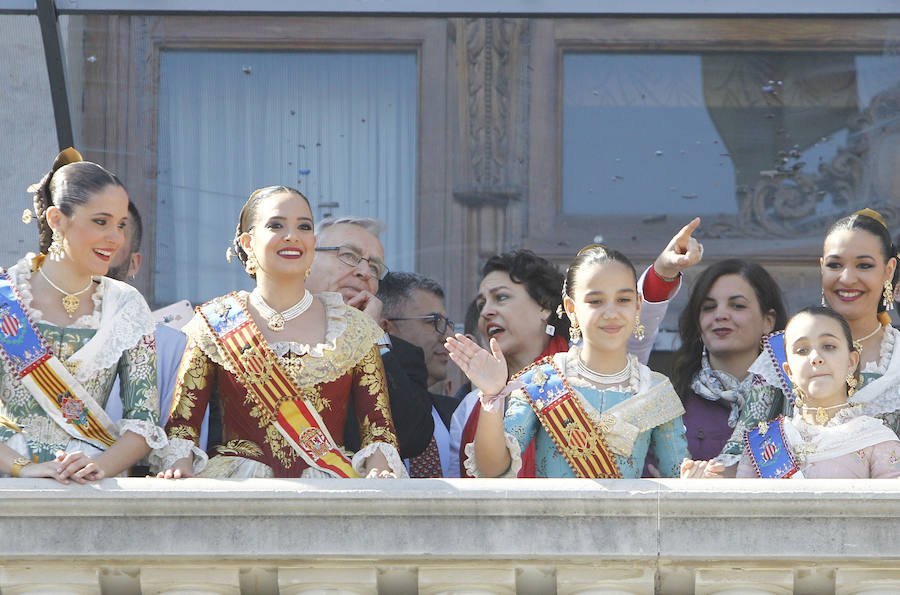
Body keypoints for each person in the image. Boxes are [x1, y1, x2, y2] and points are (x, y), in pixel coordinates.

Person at [154, 186, 404, 478]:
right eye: (276, 225)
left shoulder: (354, 328)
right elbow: (183, 425)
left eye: (304, 226)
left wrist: (379, 469)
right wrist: (179, 464)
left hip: (329, 485)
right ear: (248, 242)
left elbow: (378, 430)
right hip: (240, 485)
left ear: (313, 242)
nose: (292, 235)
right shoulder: (216, 321)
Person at [448, 218, 703, 477]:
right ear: (571, 309)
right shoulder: (540, 382)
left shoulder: (655, 390)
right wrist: (491, 398)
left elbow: (677, 471)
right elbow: (492, 470)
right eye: (595, 301)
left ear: (638, 305)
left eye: (623, 299)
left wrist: (698, 476)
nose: (611, 312)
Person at [0, 148, 164, 483]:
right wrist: (24, 467)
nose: (116, 239)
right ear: (57, 220)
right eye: (101, 222)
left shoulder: (126, 305)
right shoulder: (6, 296)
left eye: (121, 225)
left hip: (89, 483)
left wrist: (98, 467)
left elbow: (144, 422)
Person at [697, 208, 900, 477]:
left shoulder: (895, 357)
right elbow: (743, 449)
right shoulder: (781, 354)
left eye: (864, 265)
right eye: (835, 265)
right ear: (821, 267)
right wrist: (705, 477)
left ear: (889, 270)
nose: (847, 278)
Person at [683, 308, 900, 479]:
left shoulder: (877, 441)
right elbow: (746, 520)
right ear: (788, 371)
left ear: (852, 362)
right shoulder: (763, 443)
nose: (815, 357)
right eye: (802, 350)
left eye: (829, 346)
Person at [306, 216, 433, 460]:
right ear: (307, 261)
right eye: (348, 256)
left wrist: (372, 339)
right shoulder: (261, 340)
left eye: (374, 267)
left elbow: (412, 439)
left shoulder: (398, 355)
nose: (364, 272)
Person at [104, 202, 210, 452]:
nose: (103, 240)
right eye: (96, 224)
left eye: (119, 228)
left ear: (134, 263)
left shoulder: (172, 347)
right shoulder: (22, 326)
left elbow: (176, 453)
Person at [670, 260, 787, 461]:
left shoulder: (791, 398)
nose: (720, 315)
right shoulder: (673, 403)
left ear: (768, 321)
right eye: (708, 307)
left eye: (737, 306)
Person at [378, 272, 461, 477]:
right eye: (433, 321)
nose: (448, 337)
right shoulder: (359, 411)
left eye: (447, 325)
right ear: (385, 327)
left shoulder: (458, 414)